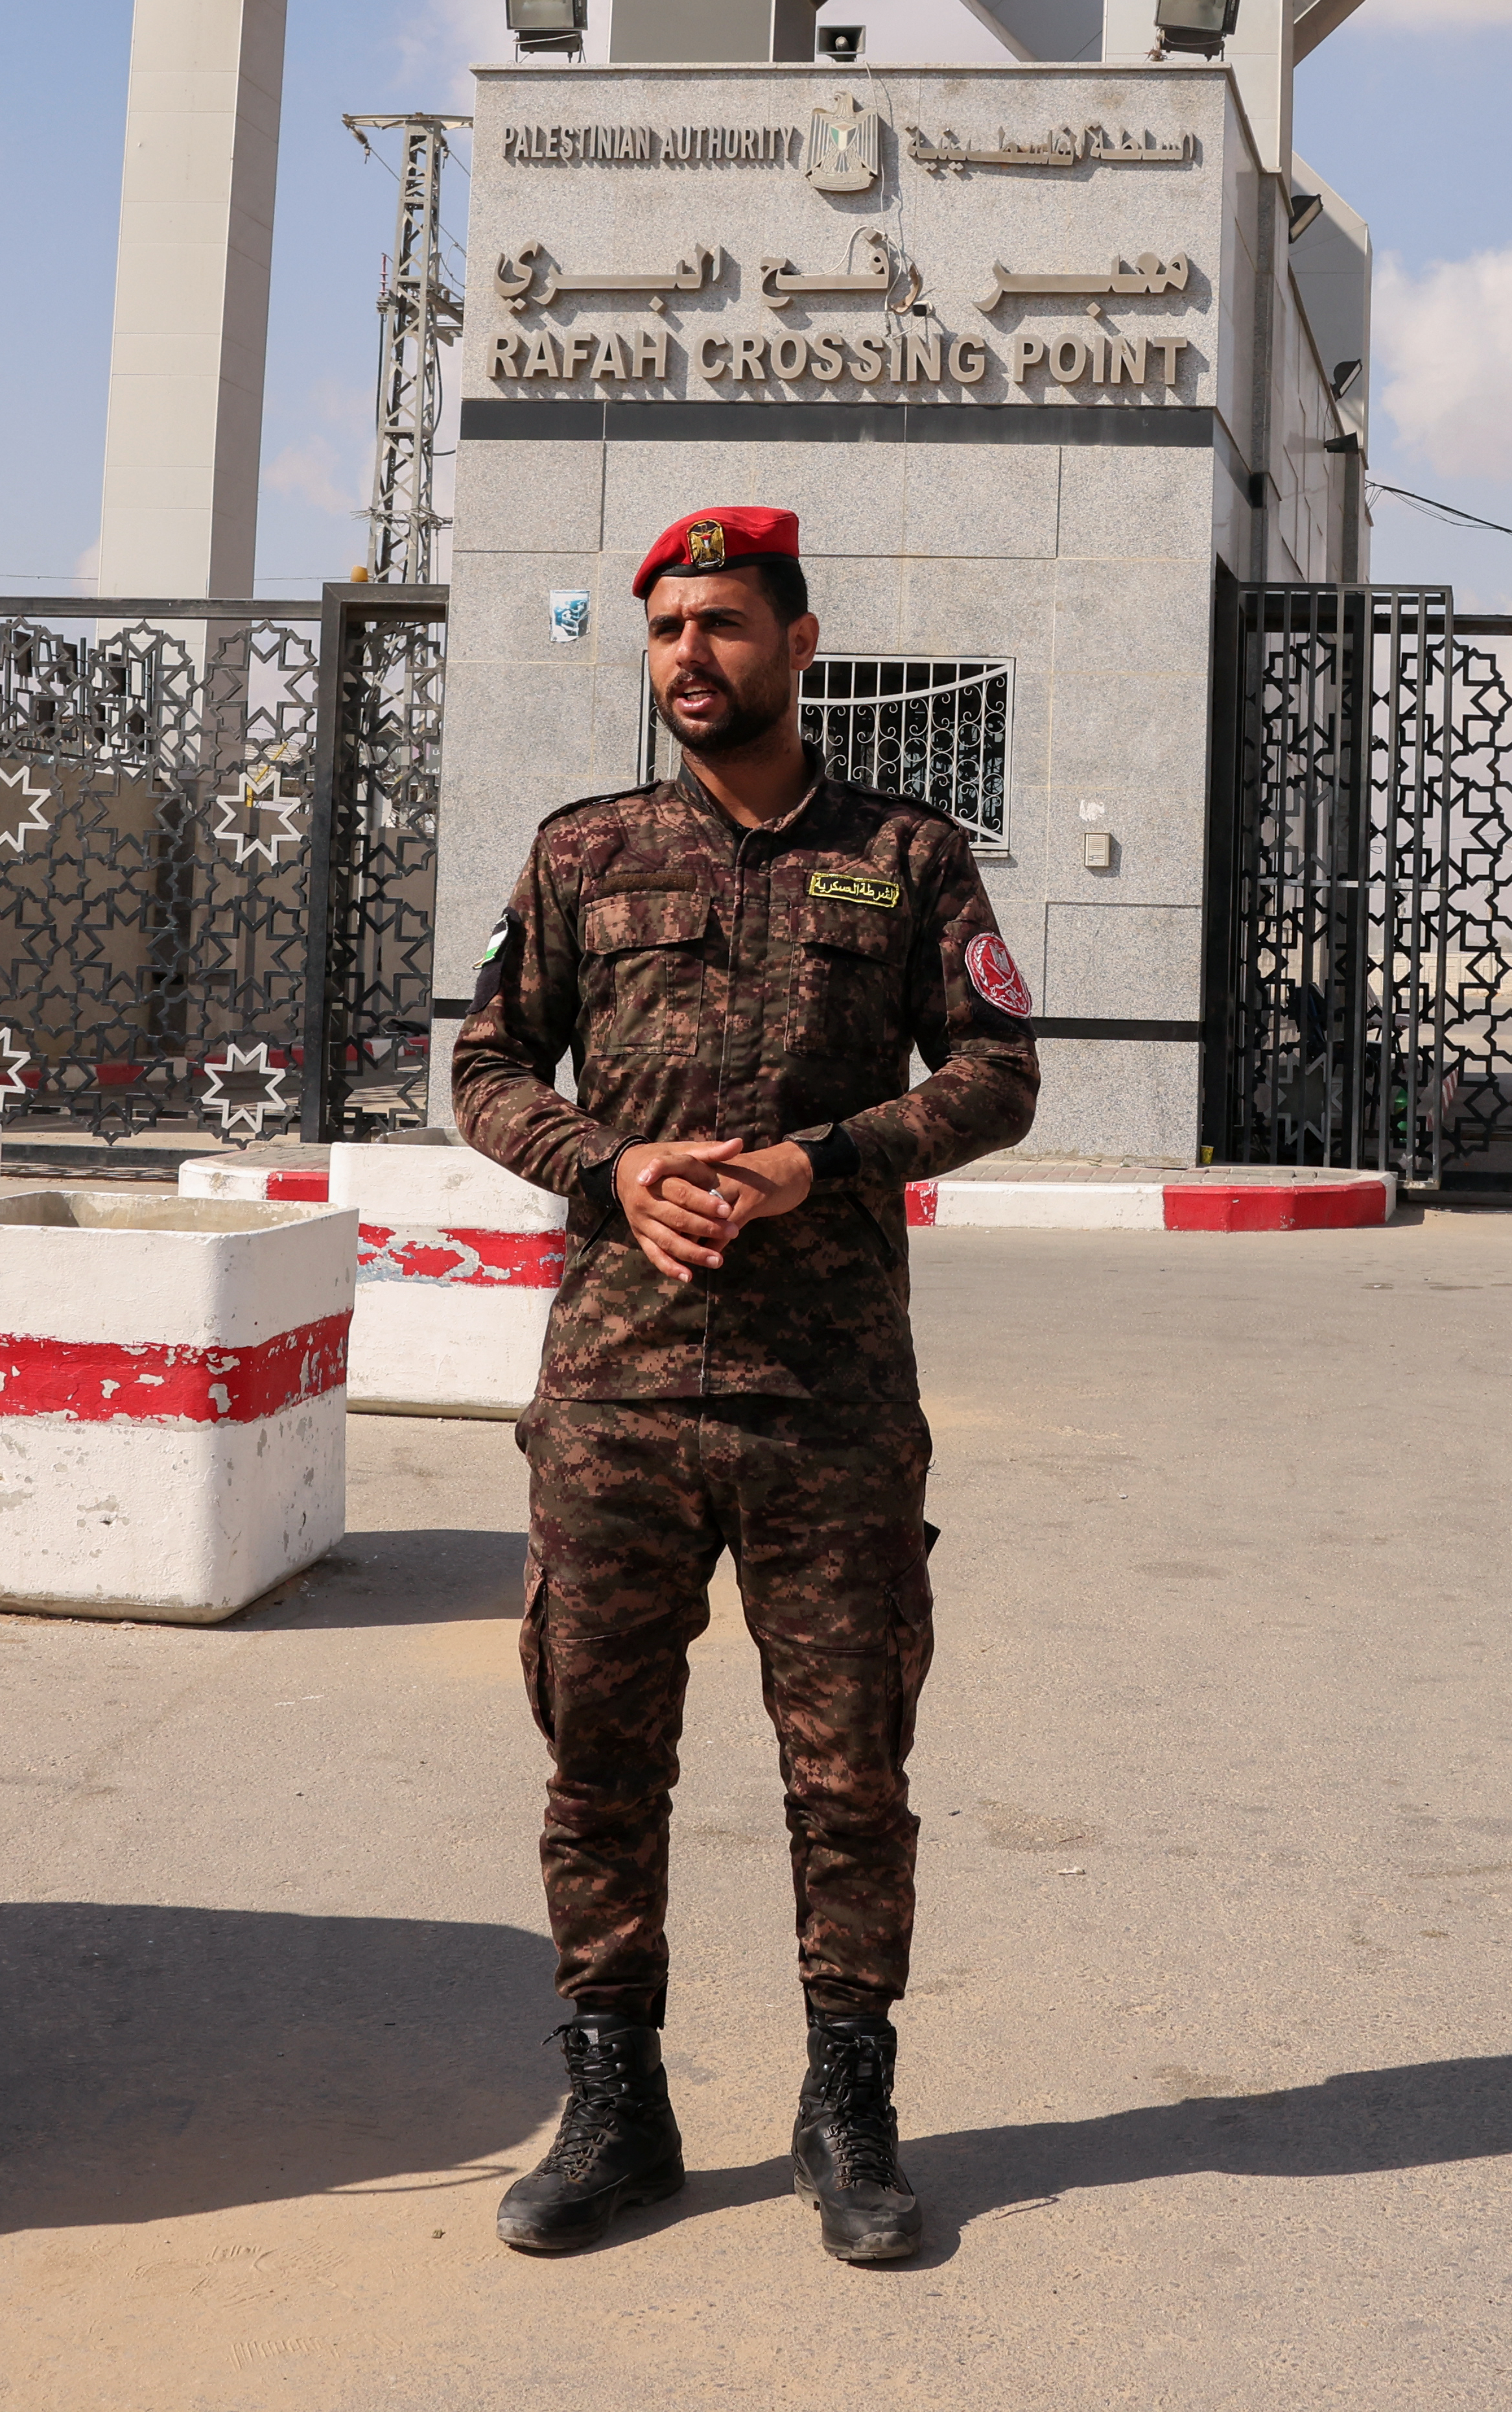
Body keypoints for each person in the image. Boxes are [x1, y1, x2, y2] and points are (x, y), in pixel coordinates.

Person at [447, 503, 1043, 2263]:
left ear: (797, 640)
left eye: (721, 625)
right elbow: (484, 1065)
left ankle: (846, 2108)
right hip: (618, 1390)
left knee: (849, 1773)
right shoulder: (583, 854)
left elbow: (1001, 1069)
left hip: (830, 1396)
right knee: (599, 1764)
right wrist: (601, 1167)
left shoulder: (908, 856)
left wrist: (823, 1162)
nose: (688, 658)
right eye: (665, 632)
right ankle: (614, 2103)